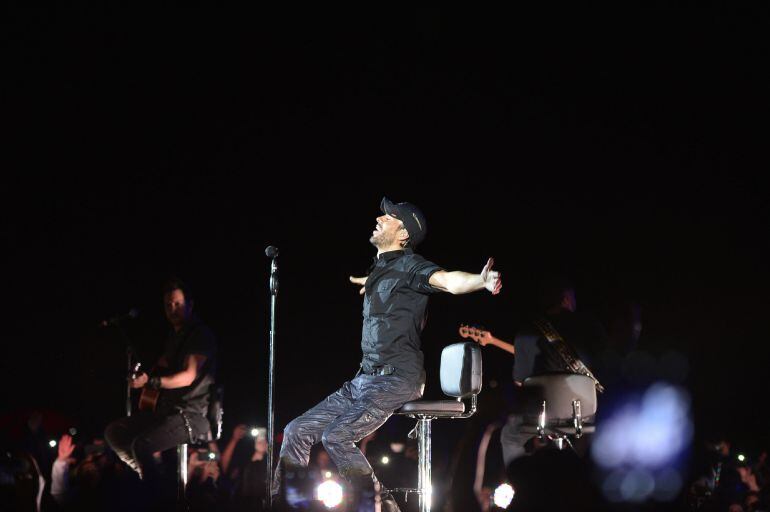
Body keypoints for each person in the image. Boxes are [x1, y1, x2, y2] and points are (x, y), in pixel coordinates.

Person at [273, 197, 501, 511]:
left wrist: (480, 281)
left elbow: (448, 281)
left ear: (404, 233)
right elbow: (387, 278)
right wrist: (372, 280)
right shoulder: (383, 267)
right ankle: (285, 504)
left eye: (390, 217)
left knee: (336, 436)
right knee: (296, 430)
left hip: (397, 379)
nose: (380, 218)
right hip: (364, 380)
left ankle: (382, 504)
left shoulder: (412, 266)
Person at [104, 278, 217, 499]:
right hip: (166, 412)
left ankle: (156, 495)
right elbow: (160, 368)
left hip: (191, 415)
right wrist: (142, 379)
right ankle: (148, 478)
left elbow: (188, 376)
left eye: (177, 303)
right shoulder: (174, 337)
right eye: (168, 305)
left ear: (190, 305)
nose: (172, 309)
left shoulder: (199, 335)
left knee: (142, 445)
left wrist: (153, 382)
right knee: (114, 432)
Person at [487, 277, 606, 467]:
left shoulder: (526, 331)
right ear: (567, 299)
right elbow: (605, 369)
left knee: (509, 436)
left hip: (539, 416)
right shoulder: (591, 326)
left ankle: (521, 485)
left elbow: (520, 384)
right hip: (585, 414)